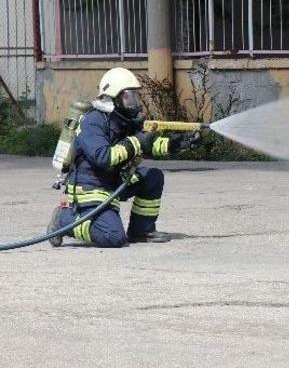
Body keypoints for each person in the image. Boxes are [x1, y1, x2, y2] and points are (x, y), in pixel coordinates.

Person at [46, 67, 200, 247]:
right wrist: (137, 142)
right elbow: (104, 157)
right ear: (114, 98)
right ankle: (64, 220)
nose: (134, 102)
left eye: (136, 96)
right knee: (113, 237)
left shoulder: (126, 120)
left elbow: (147, 144)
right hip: (91, 187)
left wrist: (176, 143)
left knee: (152, 177)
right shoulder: (92, 122)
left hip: (114, 180)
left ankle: (141, 231)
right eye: (129, 97)